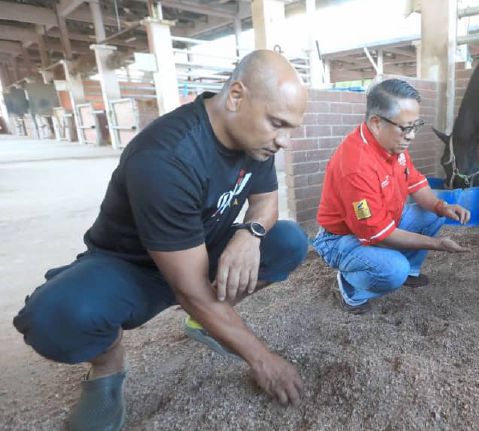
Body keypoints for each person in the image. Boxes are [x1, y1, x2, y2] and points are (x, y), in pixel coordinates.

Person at [13, 50, 310, 431]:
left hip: (200, 249)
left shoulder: (255, 137)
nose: (284, 141)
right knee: (56, 318)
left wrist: (249, 234)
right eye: (278, 124)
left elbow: (266, 201)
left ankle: (206, 321)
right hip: (132, 267)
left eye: (291, 128)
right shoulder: (167, 157)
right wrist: (263, 360)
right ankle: (108, 367)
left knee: (287, 239)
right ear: (236, 96)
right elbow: (189, 288)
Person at [313, 79, 471, 314]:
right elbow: (379, 235)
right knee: (392, 270)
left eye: (416, 125)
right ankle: (351, 289)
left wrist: (442, 207)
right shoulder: (356, 165)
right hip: (341, 238)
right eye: (406, 128)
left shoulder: (393, 146)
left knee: (433, 213)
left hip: (386, 219)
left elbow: (417, 185)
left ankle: (410, 271)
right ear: (376, 123)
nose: (412, 136)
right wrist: (437, 244)